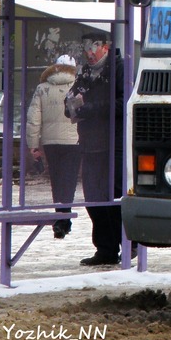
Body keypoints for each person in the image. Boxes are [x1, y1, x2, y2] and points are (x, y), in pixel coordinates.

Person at [64, 29, 127, 266]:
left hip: (115, 144)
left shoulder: (119, 69)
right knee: (93, 198)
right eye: (86, 48)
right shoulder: (86, 73)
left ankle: (127, 244)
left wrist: (91, 108)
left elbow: (125, 102)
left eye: (94, 47)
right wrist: (70, 106)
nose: (89, 52)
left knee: (115, 197)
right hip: (91, 144)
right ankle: (105, 249)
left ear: (106, 47)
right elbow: (73, 97)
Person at [25, 54, 80, 239]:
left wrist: (33, 146)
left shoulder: (42, 88)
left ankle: (60, 219)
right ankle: (64, 219)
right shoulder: (78, 85)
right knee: (69, 181)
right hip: (74, 141)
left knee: (56, 180)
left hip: (50, 142)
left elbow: (33, 119)